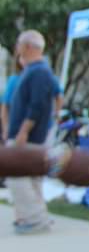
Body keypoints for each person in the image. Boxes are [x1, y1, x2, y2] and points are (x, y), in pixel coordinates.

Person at [6, 30, 62, 234]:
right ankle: (36, 217)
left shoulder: (39, 72)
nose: (17, 47)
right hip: (30, 136)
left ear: (28, 47)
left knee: (17, 177)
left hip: (28, 137)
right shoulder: (35, 71)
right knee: (30, 178)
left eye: (19, 43)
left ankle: (34, 219)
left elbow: (37, 105)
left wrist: (23, 131)